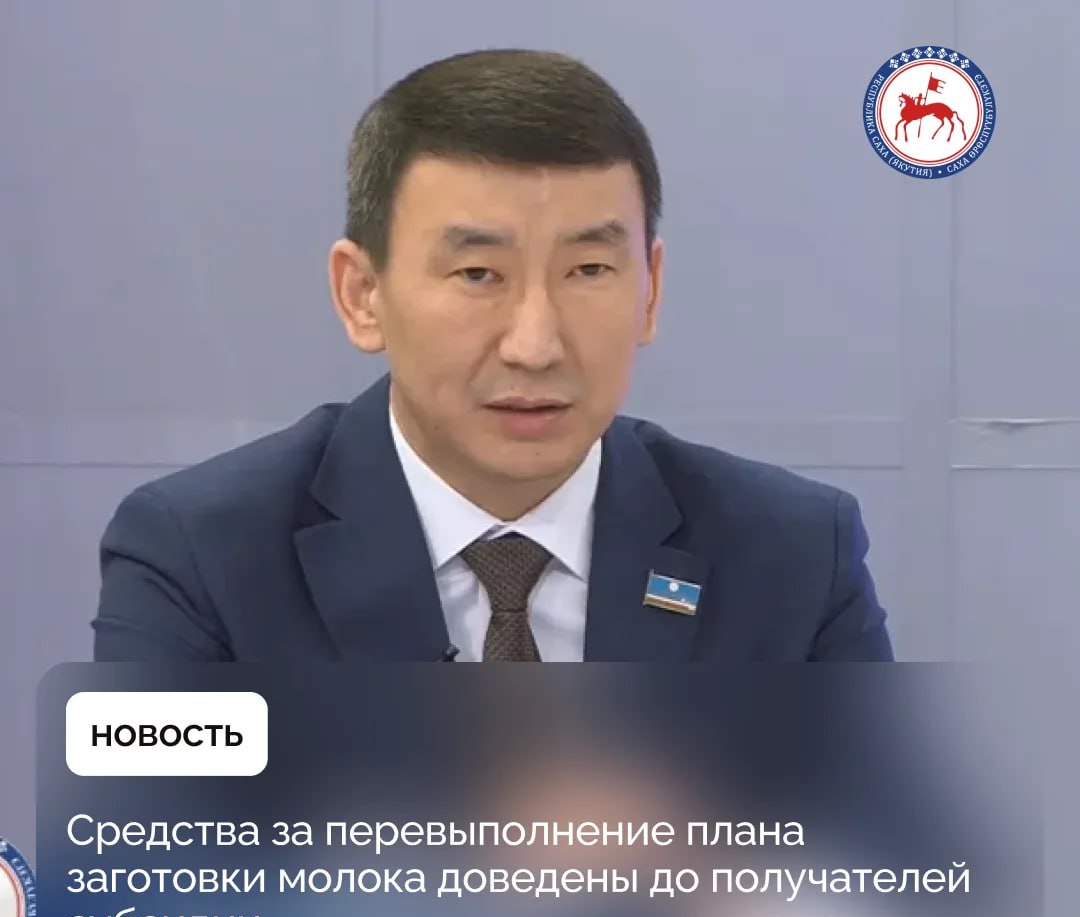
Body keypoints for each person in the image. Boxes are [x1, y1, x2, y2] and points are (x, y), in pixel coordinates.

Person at [92, 48, 892, 663]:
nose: (535, 345)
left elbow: (873, 831)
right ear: (362, 294)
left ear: (649, 291)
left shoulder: (790, 554)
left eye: (588, 270)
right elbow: (149, 831)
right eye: (479, 274)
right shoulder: (205, 555)